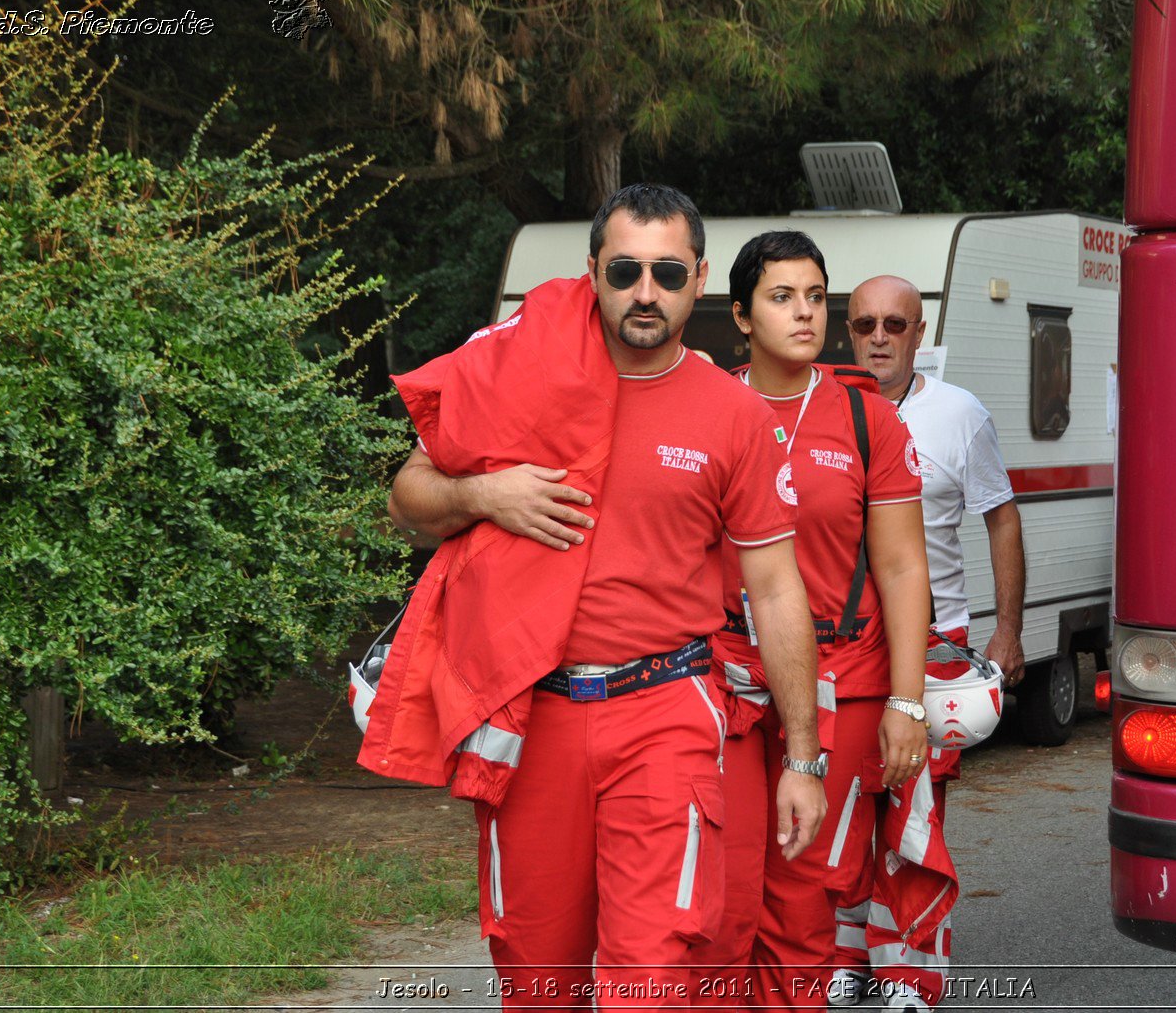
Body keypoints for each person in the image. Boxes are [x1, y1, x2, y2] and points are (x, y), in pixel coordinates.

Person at [367, 185, 828, 1008]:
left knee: (648, 984)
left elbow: (776, 586)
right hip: (531, 718)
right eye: (624, 270)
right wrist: (486, 495)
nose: (644, 292)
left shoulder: (734, 413)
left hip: (665, 715)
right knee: (536, 981)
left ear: (700, 278)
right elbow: (405, 499)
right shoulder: (522, 373)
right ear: (592, 273)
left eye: (665, 271)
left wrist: (801, 756)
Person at [692, 232, 937, 1011]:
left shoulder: (868, 420)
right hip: (724, 685)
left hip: (844, 681)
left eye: (814, 296)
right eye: (780, 296)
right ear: (739, 314)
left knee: (806, 901)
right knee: (721, 898)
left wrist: (907, 702)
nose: (805, 313)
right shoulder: (705, 409)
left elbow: (901, 569)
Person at [827, 275, 1028, 1010]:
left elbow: (1001, 518)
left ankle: (911, 972)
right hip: (843, 647)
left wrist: (1007, 628)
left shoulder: (958, 415)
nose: (878, 337)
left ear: (919, 332)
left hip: (933, 647)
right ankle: (850, 957)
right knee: (843, 810)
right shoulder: (826, 410)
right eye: (864, 324)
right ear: (847, 332)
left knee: (913, 814)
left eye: (894, 324)